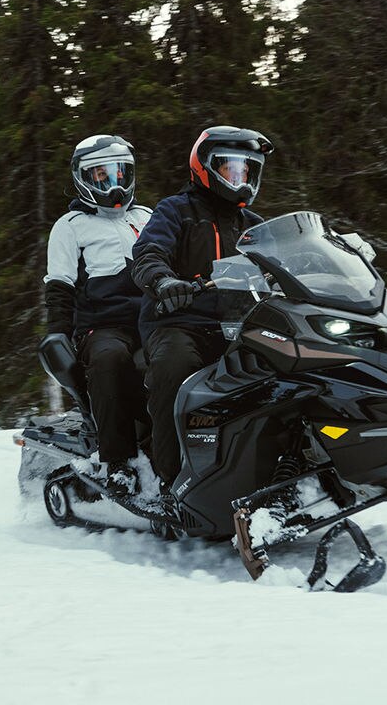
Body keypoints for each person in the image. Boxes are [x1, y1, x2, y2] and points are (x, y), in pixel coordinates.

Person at [130, 126, 274, 498]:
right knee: (176, 368)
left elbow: (286, 263)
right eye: (231, 169)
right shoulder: (176, 211)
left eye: (246, 171)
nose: (239, 179)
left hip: (239, 324)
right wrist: (163, 282)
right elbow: (148, 253)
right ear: (205, 167)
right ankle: (171, 481)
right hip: (178, 321)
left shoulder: (254, 226)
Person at [44, 134, 153, 496]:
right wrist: (58, 332)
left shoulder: (147, 217)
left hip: (156, 317)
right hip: (104, 326)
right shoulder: (71, 225)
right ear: (83, 179)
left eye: (121, 174)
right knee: (110, 360)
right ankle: (119, 463)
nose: (114, 185)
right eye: (102, 177)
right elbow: (59, 283)